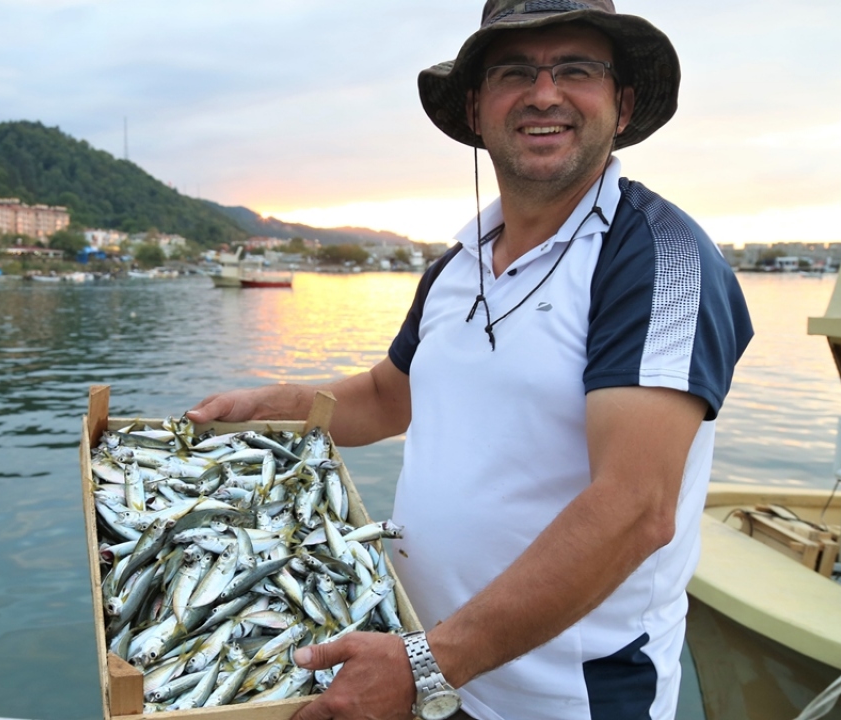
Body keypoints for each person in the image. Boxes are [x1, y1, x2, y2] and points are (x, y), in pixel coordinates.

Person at [186, 2, 753, 719]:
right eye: (515, 71)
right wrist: (274, 406)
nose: (543, 93)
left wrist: (423, 665)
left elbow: (634, 508)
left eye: (576, 69)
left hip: (563, 700)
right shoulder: (458, 266)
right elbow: (389, 395)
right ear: (478, 109)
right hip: (421, 670)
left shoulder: (658, 259)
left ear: (624, 103)